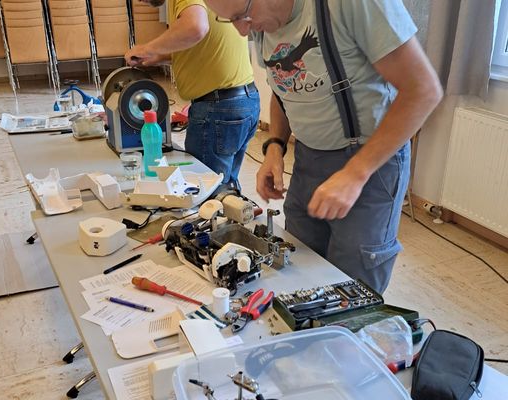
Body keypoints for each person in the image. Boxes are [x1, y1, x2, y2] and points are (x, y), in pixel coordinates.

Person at [205, 0, 443, 293]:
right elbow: (283, 85)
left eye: (243, 16)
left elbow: (424, 91)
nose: (243, 32)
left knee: (351, 288)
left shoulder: (349, 5)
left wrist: (355, 173)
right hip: (308, 159)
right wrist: (275, 146)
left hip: (369, 163)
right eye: (231, 21)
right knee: (300, 272)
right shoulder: (260, 23)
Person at [124, 0, 260, 190]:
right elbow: (204, 44)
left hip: (218, 107)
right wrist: (160, 57)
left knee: (206, 194)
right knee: (225, 189)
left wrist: (147, 48)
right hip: (244, 99)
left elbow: (196, 27)